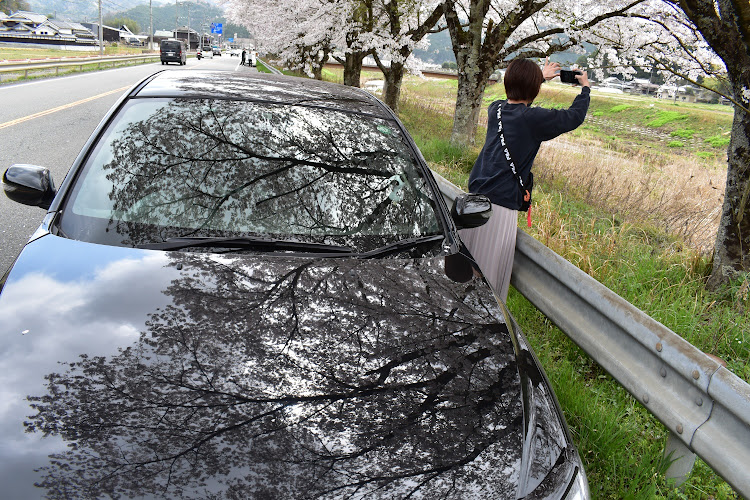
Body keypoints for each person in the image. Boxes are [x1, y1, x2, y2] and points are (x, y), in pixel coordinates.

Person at [460, 57, 590, 302]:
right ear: (534, 89)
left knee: (467, 276)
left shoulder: (495, 108)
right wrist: (585, 89)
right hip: (498, 210)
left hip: (472, 202)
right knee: (488, 288)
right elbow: (573, 117)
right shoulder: (533, 119)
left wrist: (538, 77)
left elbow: (519, 100)